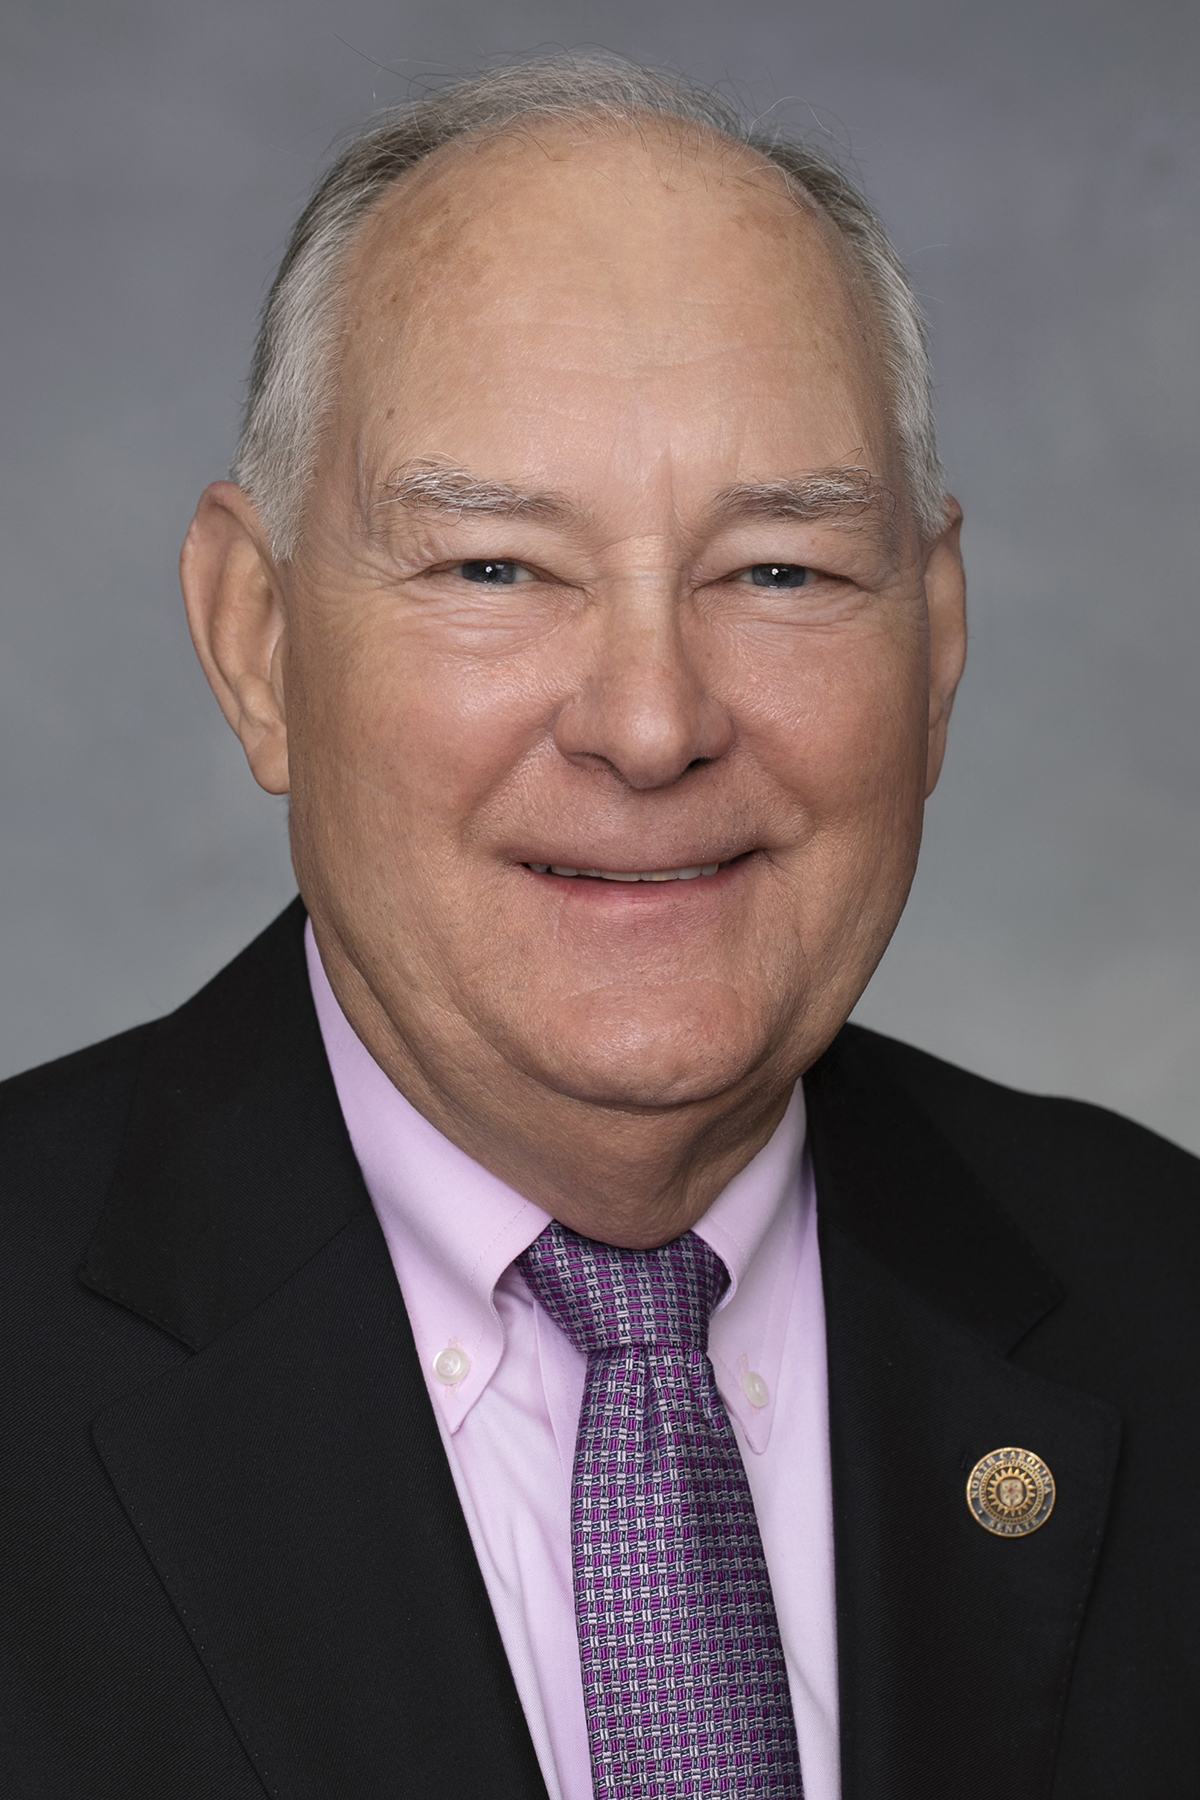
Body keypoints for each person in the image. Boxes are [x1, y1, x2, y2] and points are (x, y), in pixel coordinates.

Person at [1, 57, 1196, 1800]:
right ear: (256, 641)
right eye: (495, 568)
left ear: (935, 649)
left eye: (781, 569)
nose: (651, 723)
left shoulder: (1165, 1299)